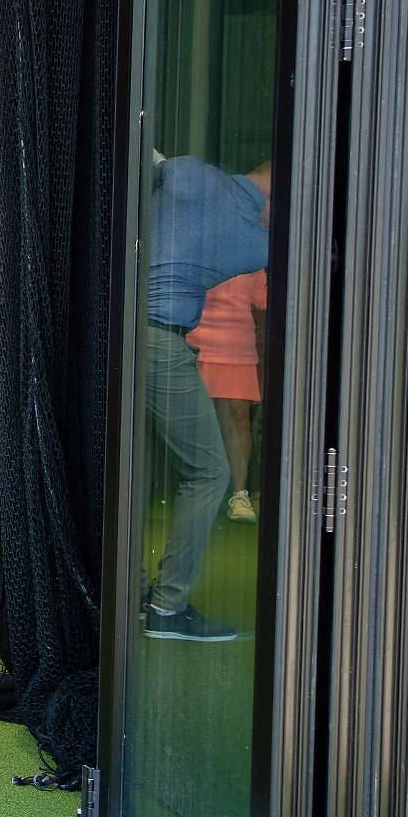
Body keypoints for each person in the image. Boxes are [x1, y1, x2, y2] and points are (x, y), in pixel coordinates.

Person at [143, 153, 271, 642]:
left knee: (139, 467)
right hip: (158, 339)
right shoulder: (255, 239)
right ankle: (167, 609)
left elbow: (155, 162)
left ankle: (134, 595)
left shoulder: (194, 173)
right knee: (210, 471)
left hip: (128, 333)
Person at [186, 269, 268, 525]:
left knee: (239, 418)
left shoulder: (251, 248)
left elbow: (264, 299)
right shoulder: (199, 244)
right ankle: (196, 495)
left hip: (238, 344)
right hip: (197, 343)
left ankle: (239, 495)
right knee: (194, 424)